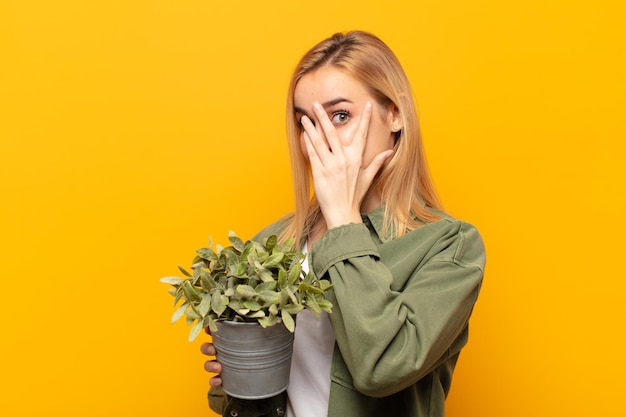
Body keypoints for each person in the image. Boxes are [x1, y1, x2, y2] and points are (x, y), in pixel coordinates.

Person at [200, 30, 486, 417]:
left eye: (340, 116)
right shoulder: (275, 242)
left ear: (395, 115)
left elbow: (382, 368)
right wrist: (235, 372)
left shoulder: (450, 246)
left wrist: (343, 221)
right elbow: (235, 400)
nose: (323, 141)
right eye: (307, 124)